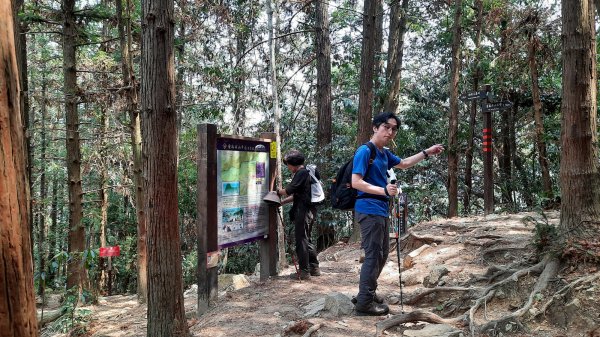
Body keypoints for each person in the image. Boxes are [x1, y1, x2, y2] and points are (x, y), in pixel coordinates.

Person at [351, 112, 444, 316]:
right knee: (373, 255)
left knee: (382, 254)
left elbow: (404, 163)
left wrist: (427, 152)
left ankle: (367, 292)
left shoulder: (384, 153)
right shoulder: (365, 151)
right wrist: (383, 190)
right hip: (368, 208)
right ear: (375, 127)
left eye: (394, 129)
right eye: (386, 127)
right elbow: (355, 182)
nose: (390, 132)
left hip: (381, 210)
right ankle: (364, 304)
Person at [276, 150, 320, 280]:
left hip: (304, 211)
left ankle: (304, 271)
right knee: (307, 239)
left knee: (301, 240)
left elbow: (288, 191)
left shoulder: (301, 173)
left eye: (288, 164)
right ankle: (314, 267)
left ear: (293, 164)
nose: (288, 167)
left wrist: (277, 192)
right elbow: (297, 195)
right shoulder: (306, 172)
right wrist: (283, 202)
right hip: (309, 210)